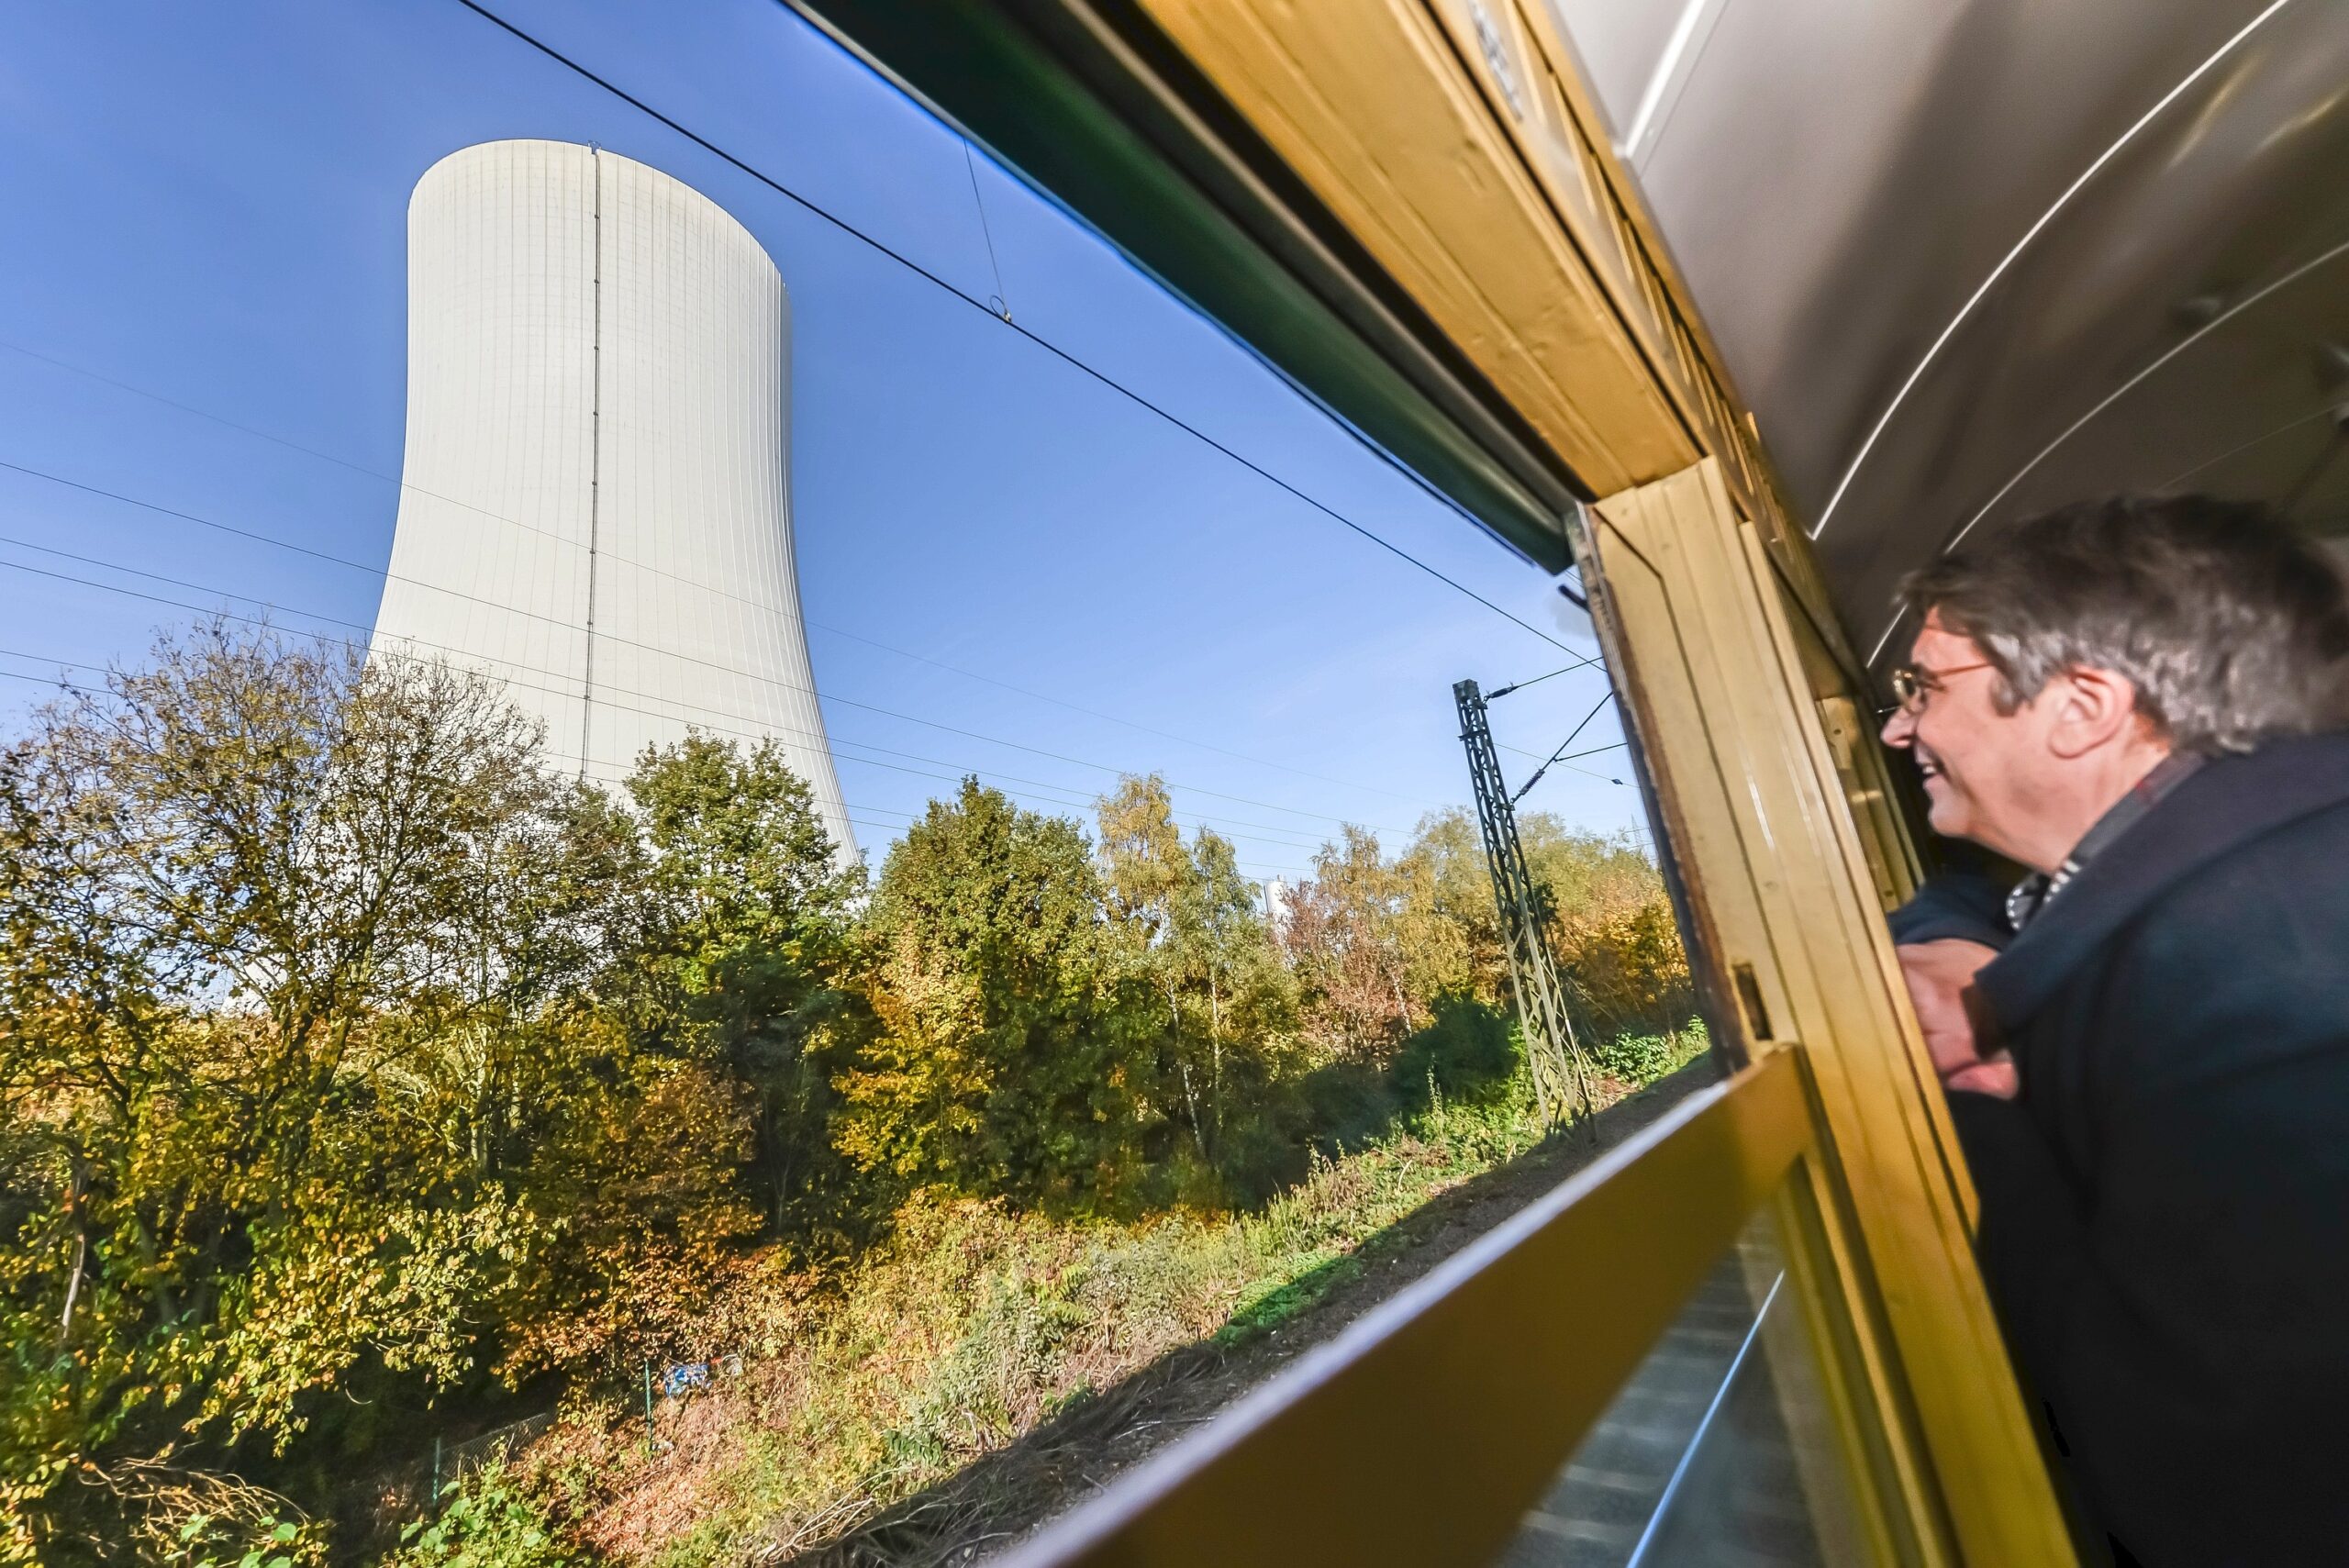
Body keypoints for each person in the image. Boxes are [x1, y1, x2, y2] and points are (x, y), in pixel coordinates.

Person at [1878, 495, 2349, 1566]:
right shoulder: (2235, 868)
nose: (1900, 726)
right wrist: (1989, 974)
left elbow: (2221, 1485)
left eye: (1921, 687)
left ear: (2080, 703)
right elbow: (1978, 902)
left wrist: (1971, 1119)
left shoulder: (2265, 974)